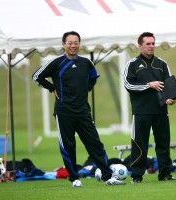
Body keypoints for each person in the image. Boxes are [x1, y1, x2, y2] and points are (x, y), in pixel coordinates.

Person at [32, 31, 125, 187]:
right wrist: (51, 88)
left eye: (76, 42)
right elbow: (36, 77)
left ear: (79, 44)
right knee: (68, 146)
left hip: (83, 111)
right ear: (64, 44)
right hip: (64, 112)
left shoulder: (86, 63)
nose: (73, 45)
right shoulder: (56, 63)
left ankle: (107, 176)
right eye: (70, 43)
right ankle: (74, 178)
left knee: (94, 143)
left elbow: (93, 77)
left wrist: (84, 90)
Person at [123, 32, 176, 183]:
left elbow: (169, 86)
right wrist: (149, 85)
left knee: (163, 143)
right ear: (140, 45)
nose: (151, 46)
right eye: (148, 44)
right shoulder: (132, 64)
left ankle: (165, 174)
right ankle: (137, 175)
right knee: (139, 144)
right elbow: (128, 85)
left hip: (161, 111)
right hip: (141, 111)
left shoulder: (162, 64)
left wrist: (171, 99)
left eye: (153, 43)